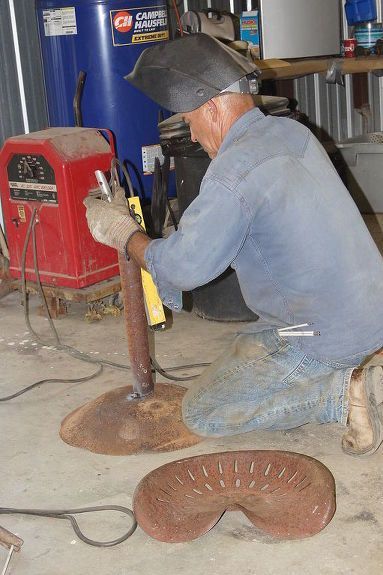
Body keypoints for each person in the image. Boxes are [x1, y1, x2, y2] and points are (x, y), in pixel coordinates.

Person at [84, 33, 383, 457]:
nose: (191, 130)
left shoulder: (233, 172)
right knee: (244, 346)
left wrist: (121, 232)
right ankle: (360, 368)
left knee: (205, 411)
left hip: (321, 336)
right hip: (372, 314)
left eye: (190, 120)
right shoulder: (291, 133)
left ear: (211, 107)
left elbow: (185, 267)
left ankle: (342, 397)